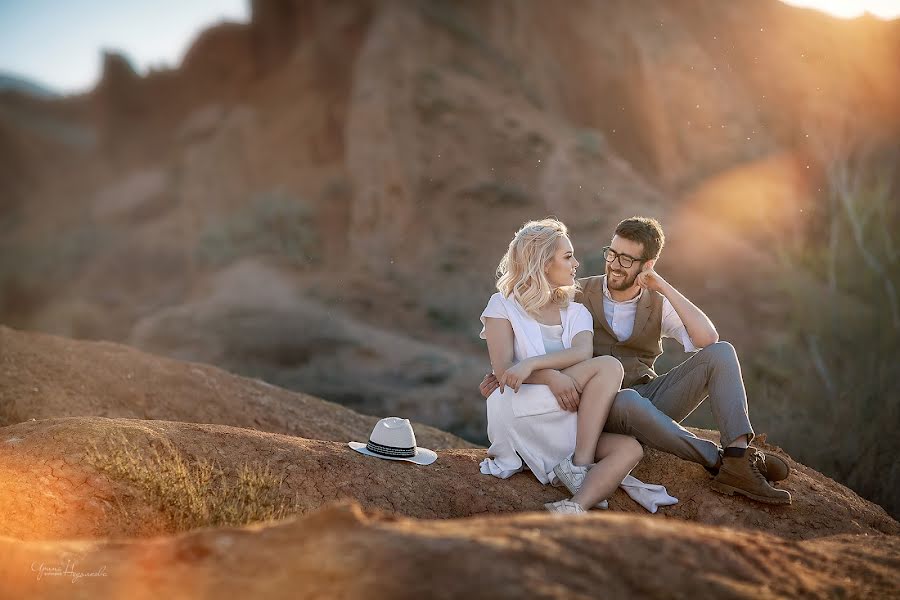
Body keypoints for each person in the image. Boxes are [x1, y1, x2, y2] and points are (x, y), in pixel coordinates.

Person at [480, 216, 792, 505]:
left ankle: (737, 454)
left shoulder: (656, 300)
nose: (614, 265)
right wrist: (506, 371)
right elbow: (534, 323)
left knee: (721, 352)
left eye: (626, 259)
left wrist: (662, 286)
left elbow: (706, 339)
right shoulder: (575, 293)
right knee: (627, 398)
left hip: (648, 399)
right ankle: (718, 459)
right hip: (599, 404)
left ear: (648, 264)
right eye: (611, 254)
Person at [479, 218, 676, 515]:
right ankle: (580, 465)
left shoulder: (575, 310)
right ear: (544, 263)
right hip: (522, 406)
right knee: (609, 366)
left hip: (566, 410)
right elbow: (505, 370)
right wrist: (551, 379)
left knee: (629, 449)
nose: (577, 264)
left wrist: (536, 367)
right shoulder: (502, 305)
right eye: (568, 256)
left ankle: (572, 507)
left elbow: (582, 353)